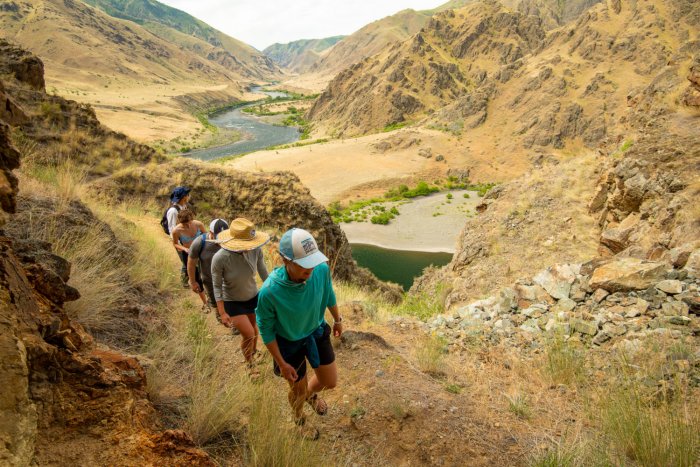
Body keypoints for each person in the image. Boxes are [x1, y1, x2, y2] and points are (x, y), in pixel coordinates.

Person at [256, 228, 343, 440]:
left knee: (329, 381)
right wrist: (281, 363)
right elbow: (266, 329)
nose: (310, 268)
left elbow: (328, 292)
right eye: (304, 264)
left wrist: (337, 319)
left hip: (316, 331)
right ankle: (299, 418)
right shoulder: (269, 291)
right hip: (289, 344)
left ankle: (309, 395)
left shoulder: (320, 269)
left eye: (312, 261)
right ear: (285, 260)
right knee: (297, 390)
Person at [211, 218, 270, 371]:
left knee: (255, 330)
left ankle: (254, 352)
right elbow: (216, 286)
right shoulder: (220, 258)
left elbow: (263, 272)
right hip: (232, 301)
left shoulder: (256, 249)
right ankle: (250, 364)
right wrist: (222, 312)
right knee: (249, 334)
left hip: (252, 296)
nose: (248, 248)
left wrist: (273, 290)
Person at [187, 218, 229, 314]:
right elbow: (191, 263)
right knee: (216, 304)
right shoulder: (199, 243)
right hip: (210, 282)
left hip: (228, 281)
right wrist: (193, 282)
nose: (221, 240)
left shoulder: (230, 241)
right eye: (218, 236)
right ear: (211, 232)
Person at [171, 208, 207, 309]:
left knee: (206, 274)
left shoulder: (199, 224)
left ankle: (210, 294)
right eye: (184, 224)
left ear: (192, 218)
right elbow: (175, 243)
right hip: (189, 254)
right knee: (195, 278)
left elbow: (206, 236)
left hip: (202, 252)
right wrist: (184, 249)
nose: (187, 225)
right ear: (180, 221)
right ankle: (205, 302)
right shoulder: (176, 231)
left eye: (189, 222)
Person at [166, 186, 191, 287]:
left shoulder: (183, 207)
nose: (189, 196)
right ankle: (184, 282)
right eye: (187, 194)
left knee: (189, 260)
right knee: (186, 262)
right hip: (180, 241)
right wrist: (180, 245)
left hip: (186, 238)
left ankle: (186, 280)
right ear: (184, 197)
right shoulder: (173, 211)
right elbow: (172, 229)